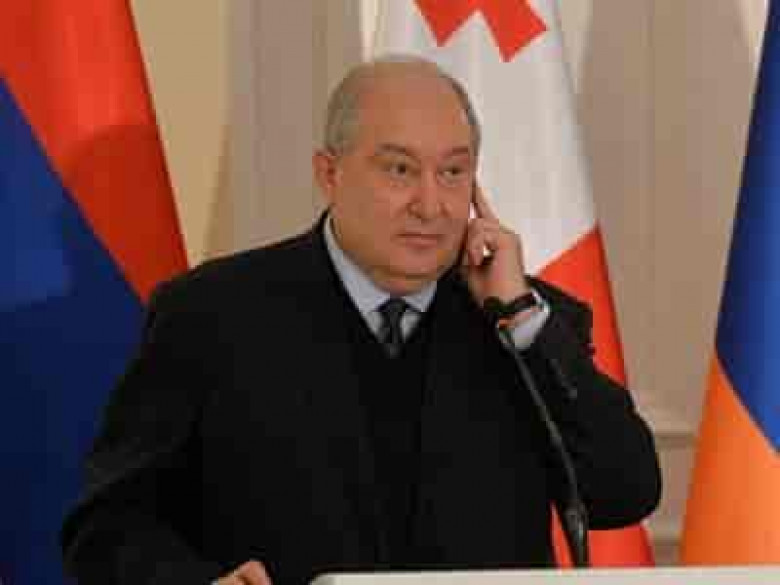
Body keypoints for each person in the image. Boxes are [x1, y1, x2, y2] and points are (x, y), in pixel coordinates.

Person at [61, 55, 661, 585]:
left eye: (453, 172)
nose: (431, 204)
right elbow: (110, 524)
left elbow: (624, 492)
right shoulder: (211, 315)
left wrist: (524, 324)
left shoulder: (525, 321)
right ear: (330, 174)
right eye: (400, 170)